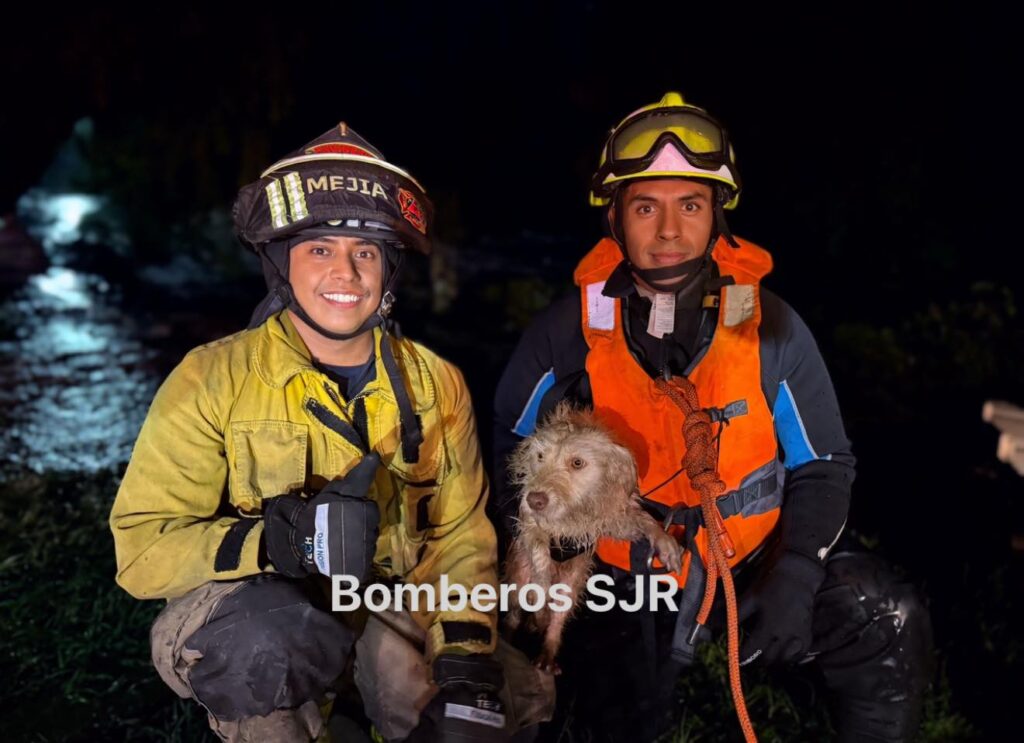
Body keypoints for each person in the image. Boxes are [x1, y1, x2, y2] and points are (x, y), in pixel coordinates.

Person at [493, 93, 933, 742]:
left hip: (750, 559)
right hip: (619, 570)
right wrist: (550, 549)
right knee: (588, 703)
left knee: (883, 613)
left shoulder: (769, 326)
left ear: (718, 215)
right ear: (615, 217)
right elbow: (509, 445)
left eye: (691, 206)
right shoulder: (567, 332)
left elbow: (824, 462)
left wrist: (796, 572)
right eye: (646, 207)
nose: (669, 230)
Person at [110, 123, 553, 742]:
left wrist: (464, 659)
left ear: (388, 271)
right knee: (264, 649)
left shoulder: (437, 383)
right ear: (281, 264)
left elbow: (460, 537)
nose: (345, 272)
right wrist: (279, 541)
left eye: (364, 252)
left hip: (388, 605)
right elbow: (143, 550)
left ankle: (370, 704)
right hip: (261, 609)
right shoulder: (208, 379)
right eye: (319, 249)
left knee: (505, 703)